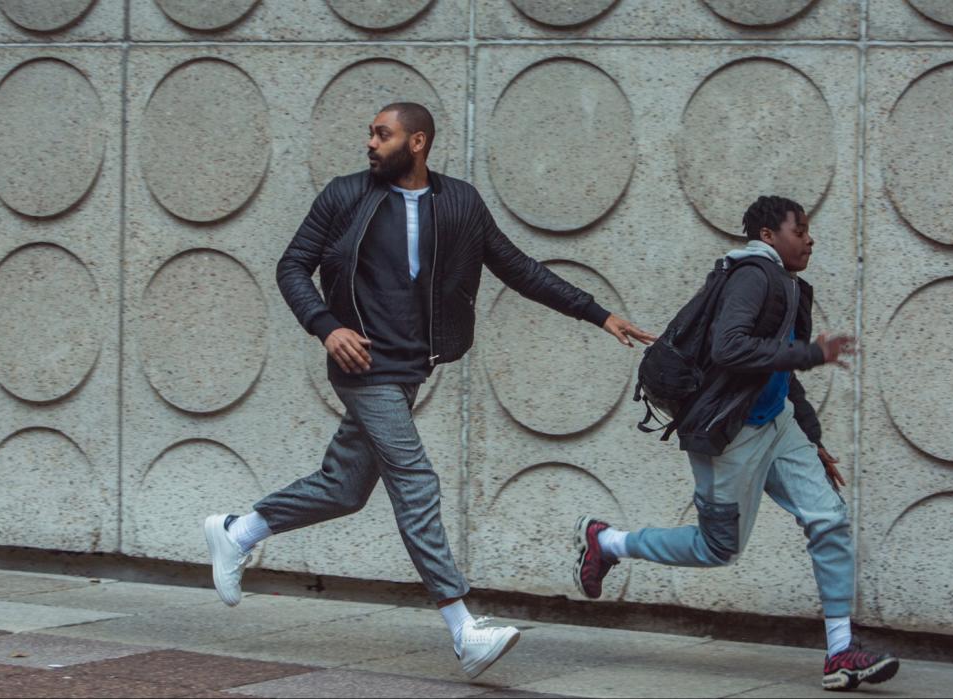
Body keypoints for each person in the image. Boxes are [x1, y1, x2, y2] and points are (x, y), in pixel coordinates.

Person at [204, 102, 655, 679]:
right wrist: (327, 326)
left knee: (344, 488)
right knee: (416, 481)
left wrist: (597, 313)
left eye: (382, 134)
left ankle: (237, 531)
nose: (370, 142)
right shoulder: (345, 196)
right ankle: (463, 627)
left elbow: (517, 267)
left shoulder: (459, 203)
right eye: (369, 132)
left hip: (410, 368)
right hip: (363, 365)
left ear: (417, 142)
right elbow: (292, 265)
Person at [574, 195, 900, 692]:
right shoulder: (752, 275)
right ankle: (607, 541)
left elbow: (782, 372)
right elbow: (730, 346)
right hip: (732, 432)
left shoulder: (788, 285)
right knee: (717, 547)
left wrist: (812, 439)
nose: (810, 239)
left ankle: (840, 653)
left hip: (778, 423)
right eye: (800, 230)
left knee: (829, 518)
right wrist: (813, 352)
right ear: (769, 236)